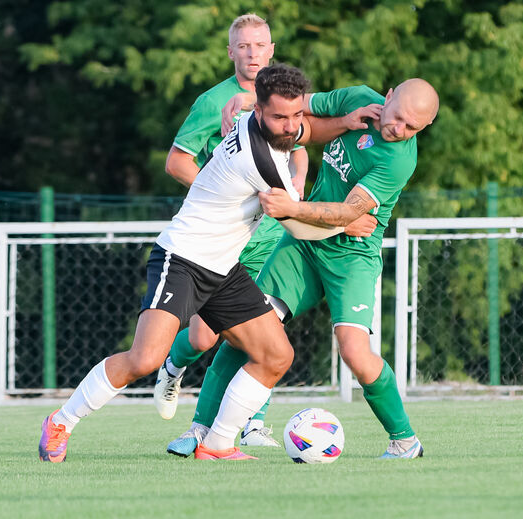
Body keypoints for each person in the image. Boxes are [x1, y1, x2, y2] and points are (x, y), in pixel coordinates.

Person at [38, 63, 381, 463]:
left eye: (295, 116)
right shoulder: (262, 162)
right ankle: (61, 421)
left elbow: (303, 127)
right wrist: (347, 221)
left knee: (275, 355)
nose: (290, 127)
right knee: (145, 358)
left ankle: (217, 445)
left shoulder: (265, 124)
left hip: (223, 269)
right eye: (279, 118)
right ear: (258, 113)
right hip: (182, 258)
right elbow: (301, 226)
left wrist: (341, 121)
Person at [172, 78, 440, 460]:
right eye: (397, 117)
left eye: (412, 127)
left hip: (353, 256)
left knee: (355, 354)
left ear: (424, 127)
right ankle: (200, 432)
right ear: (390, 94)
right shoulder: (358, 98)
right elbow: (301, 106)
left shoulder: (399, 159)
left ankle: (404, 441)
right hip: (303, 246)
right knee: (246, 329)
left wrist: (293, 207)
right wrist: (248, 100)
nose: (399, 129)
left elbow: (350, 213)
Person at [155, 13, 376, 448]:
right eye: (244, 46)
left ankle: (249, 424)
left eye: (260, 45)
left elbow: (299, 141)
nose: (253, 53)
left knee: (266, 330)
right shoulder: (214, 101)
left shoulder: (284, 94)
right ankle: (172, 367)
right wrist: (224, 192)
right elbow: (177, 161)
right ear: (231, 51)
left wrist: (304, 173)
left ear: (271, 49)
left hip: (271, 235)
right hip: (223, 240)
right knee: (202, 336)